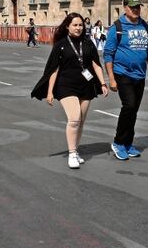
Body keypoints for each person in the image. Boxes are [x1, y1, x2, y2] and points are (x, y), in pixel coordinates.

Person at [31, 13, 109, 169]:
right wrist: (50, 92)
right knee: (74, 119)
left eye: (80, 25)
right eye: (75, 25)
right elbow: (53, 70)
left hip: (86, 86)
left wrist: (103, 83)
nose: (78, 28)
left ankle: (76, 150)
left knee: (80, 122)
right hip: (66, 86)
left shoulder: (88, 43)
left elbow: (96, 64)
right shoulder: (61, 45)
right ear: (67, 26)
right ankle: (72, 153)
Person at [103, 0, 148, 161]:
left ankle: (128, 143)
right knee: (129, 105)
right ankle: (118, 142)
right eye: (132, 7)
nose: (136, 10)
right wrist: (111, 78)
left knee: (134, 110)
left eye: (138, 7)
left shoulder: (144, 27)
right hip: (122, 73)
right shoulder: (117, 27)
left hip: (139, 75)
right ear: (125, 8)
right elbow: (108, 54)